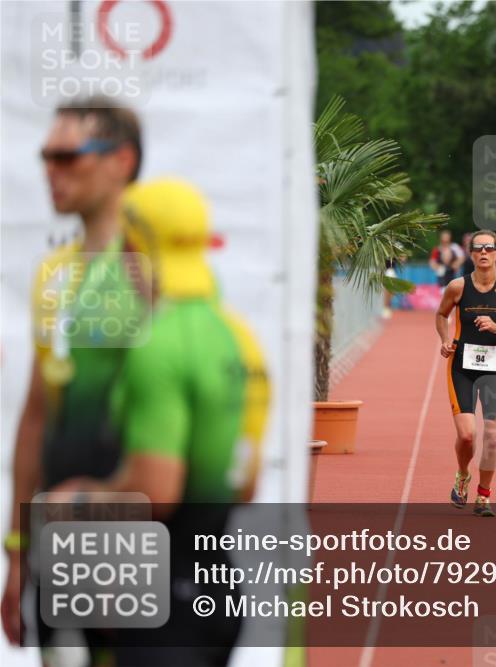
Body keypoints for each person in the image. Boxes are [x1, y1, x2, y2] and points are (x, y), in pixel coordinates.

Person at [48, 178, 270, 665]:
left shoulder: (157, 343)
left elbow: (156, 491)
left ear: (131, 248)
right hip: (218, 586)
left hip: (164, 602)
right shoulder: (237, 334)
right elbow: (246, 482)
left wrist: (76, 500)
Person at [3, 97, 145, 654]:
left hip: (139, 537)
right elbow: (40, 414)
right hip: (60, 539)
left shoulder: (152, 269)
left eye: (66, 156)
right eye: (46, 157)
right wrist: (18, 550)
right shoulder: (54, 273)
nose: (50, 171)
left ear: (121, 161)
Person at [435, 230, 496, 517]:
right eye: (478, 248)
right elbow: (441, 314)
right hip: (461, 367)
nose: (483, 252)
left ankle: (483, 495)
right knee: (467, 436)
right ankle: (463, 474)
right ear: (470, 254)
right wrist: (445, 340)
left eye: (489, 248)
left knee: (493, 437)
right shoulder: (457, 287)